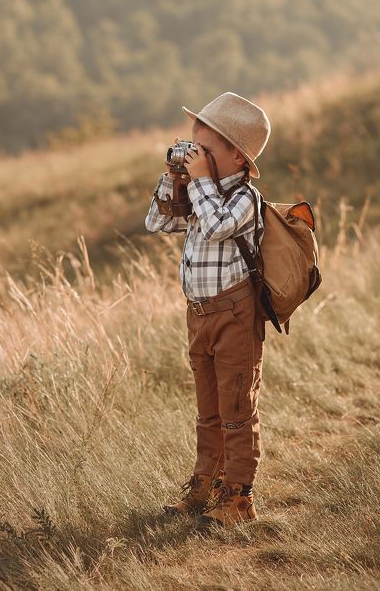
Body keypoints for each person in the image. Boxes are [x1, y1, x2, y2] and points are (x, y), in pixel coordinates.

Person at [144, 91, 270, 528]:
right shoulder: (202, 192)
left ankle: (239, 497)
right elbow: (157, 222)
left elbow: (217, 227)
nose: (195, 157)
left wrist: (199, 183)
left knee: (236, 406)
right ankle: (206, 483)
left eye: (206, 151)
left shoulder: (244, 198)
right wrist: (174, 179)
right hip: (198, 314)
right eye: (192, 148)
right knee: (209, 407)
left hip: (235, 314)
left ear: (238, 157)